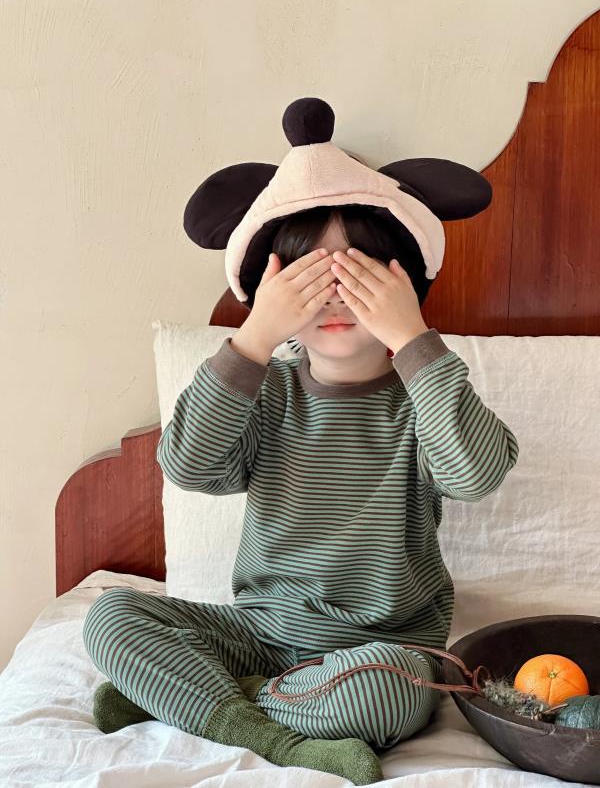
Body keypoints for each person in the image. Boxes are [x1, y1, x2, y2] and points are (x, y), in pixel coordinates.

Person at [82, 98, 519, 786]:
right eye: (309, 274)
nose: (334, 293)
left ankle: (193, 696)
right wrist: (255, 335)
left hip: (379, 651)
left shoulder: (425, 400)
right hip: (258, 634)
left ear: (405, 282)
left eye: (358, 272)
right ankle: (266, 729)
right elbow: (188, 464)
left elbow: (475, 473)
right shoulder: (268, 390)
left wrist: (412, 339)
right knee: (110, 614)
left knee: (393, 694)